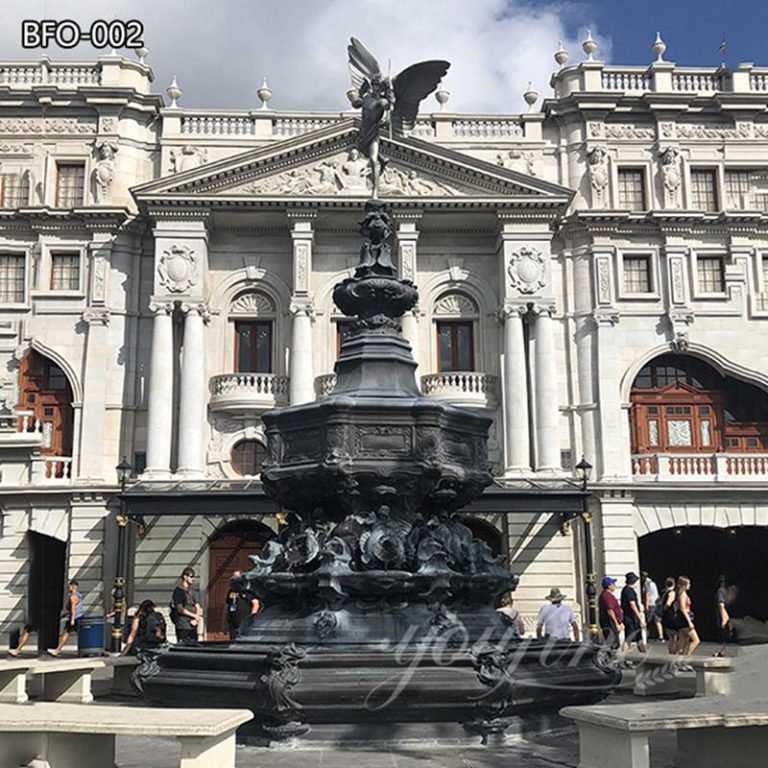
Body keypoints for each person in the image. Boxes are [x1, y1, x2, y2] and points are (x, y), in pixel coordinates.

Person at [47, 579, 84, 657]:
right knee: (79, 634)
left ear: (73, 586)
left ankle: (57, 650)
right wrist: (64, 615)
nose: (68, 587)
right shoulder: (78, 595)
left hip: (75, 617)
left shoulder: (73, 596)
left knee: (65, 633)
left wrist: (72, 619)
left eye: (69, 586)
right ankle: (83, 649)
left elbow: (73, 608)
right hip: (79, 616)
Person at [226, 571, 261, 640]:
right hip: (233, 622)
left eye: (237, 578)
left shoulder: (247, 591)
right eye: (233, 578)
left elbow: (256, 604)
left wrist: (251, 618)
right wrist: (224, 620)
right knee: (233, 640)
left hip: (243, 622)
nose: (234, 580)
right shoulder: (230, 592)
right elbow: (227, 605)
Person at [171, 567, 201, 645]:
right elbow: (180, 609)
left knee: (194, 646)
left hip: (193, 625)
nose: (193, 579)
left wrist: (197, 618)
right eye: (191, 577)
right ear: (185, 577)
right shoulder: (179, 591)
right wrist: (194, 615)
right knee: (183, 646)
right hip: (183, 625)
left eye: (194, 577)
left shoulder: (192, 591)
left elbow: (197, 605)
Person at [620, 572, 647, 652]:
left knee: (639, 638)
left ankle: (643, 654)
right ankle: (622, 657)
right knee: (629, 639)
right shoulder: (629, 591)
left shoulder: (626, 590)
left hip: (632, 618)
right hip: (631, 619)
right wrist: (640, 619)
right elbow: (633, 605)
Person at [674, 575, 700, 657]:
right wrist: (689, 622)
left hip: (682, 618)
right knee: (696, 640)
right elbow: (682, 608)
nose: (690, 585)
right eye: (688, 584)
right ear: (684, 585)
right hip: (684, 619)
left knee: (683, 641)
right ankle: (685, 659)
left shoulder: (681, 594)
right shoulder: (682, 595)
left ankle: (679, 659)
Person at [598, 576, 623, 649]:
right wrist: (616, 623)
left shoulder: (608, 595)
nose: (615, 585)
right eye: (613, 584)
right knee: (613, 643)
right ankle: (610, 658)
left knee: (614, 642)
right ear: (609, 586)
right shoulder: (606, 596)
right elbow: (610, 610)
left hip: (611, 622)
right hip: (609, 622)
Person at [659, 576, 679, 653]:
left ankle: (671, 652)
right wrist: (665, 608)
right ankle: (673, 652)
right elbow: (668, 603)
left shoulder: (664, 592)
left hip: (665, 616)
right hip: (670, 615)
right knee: (676, 636)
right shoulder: (672, 593)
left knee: (671, 637)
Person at [641, 571, 663, 641]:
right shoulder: (653, 583)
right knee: (657, 621)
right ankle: (661, 637)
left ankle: (645, 636)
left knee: (647, 621)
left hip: (651, 604)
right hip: (656, 603)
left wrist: (646, 605)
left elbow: (647, 594)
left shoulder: (646, 583)